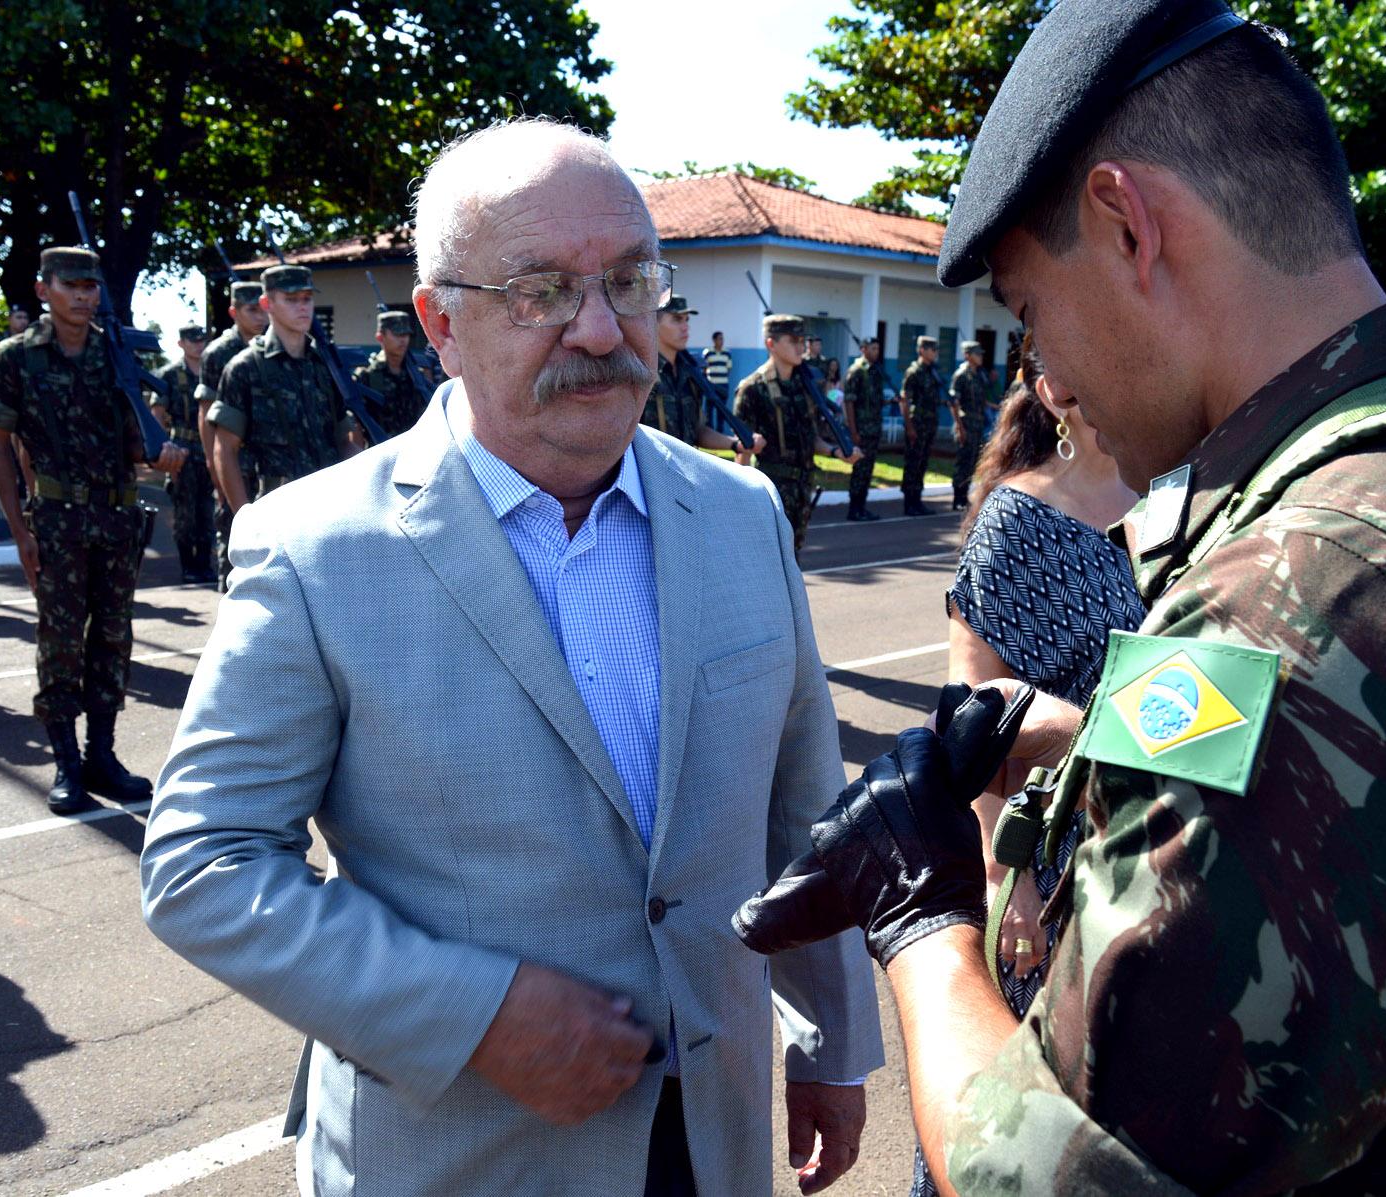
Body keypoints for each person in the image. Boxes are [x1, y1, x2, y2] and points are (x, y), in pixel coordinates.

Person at [733, 1, 1386, 1192]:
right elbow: (1361, 743)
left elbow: (1045, 1176)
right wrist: (1084, 733)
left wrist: (918, 910)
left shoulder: (1306, 584)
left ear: (1129, 227)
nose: (1042, 377)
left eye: (1031, 313)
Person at [143, 119, 883, 1197]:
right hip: (460, 1154)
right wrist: (472, 1013)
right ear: (441, 324)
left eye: (630, 282)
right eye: (539, 290)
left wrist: (831, 1041)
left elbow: (802, 810)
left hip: (707, 1138)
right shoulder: (313, 547)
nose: (599, 329)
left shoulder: (739, 514)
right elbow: (204, 866)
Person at [898, 339, 1142, 1197]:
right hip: (1051, 851)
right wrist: (1012, 879)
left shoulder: (1183, 497)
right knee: (1020, 1118)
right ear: (1054, 391)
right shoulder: (1018, 522)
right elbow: (975, 731)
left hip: (1155, 837)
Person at [0, 247, 185, 816]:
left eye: (91, 285)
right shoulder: (15, 358)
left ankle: (102, 754)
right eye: (71, 285)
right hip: (56, 521)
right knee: (60, 643)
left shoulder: (114, 355)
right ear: (44, 290)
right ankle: (66, 762)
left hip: (116, 519)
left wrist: (159, 453)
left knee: (113, 640)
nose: (84, 295)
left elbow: (137, 444)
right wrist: (19, 528)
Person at [206, 265, 356, 512]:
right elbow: (225, 450)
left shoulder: (324, 365)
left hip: (330, 505)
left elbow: (344, 437)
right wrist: (244, 518)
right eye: (291, 299)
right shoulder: (245, 368)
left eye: (307, 299)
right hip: (274, 510)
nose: (302, 307)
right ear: (267, 304)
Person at [734, 315, 862, 554]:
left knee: (793, 561)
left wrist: (836, 452)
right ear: (771, 344)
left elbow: (810, 437)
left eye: (802, 340)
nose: (800, 347)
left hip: (802, 490)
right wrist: (741, 501)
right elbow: (743, 452)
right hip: (770, 492)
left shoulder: (805, 386)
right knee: (765, 561)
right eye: (793, 340)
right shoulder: (753, 389)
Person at [196, 278, 266, 590]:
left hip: (268, 464)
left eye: (260, 309)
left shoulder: (272, 348)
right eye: (251, 310)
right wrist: (215, 468)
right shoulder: (218, 353)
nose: (259, 317)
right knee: (235, 546)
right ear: (233, 311)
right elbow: (207, 413)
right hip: (235, 464)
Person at [640, 293, 761, 460]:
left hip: (685, 472)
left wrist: (734, 444)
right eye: (677, 319)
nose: (685, 327)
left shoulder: (690, 372)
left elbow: (698, 429)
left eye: (686, 320)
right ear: (654, 323)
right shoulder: (640, 372)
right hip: (649, 475)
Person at [151, 324, 216, 585]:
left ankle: (204, 563)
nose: (198, 345)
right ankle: (188, 565)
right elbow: (156, 415)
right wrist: (164, 452)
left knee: (206, 511)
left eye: (201, 340)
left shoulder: (211, 372)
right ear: (181, 344)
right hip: (182, 451)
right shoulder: (169, 375)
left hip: (208, 449)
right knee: (185, 513)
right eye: (192, 341)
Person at [351, 309, 430, 436]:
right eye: (397, 334)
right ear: (380, 337)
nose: (403, 340)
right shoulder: (367, 376)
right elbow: (356, 425)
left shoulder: (417, 377)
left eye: (406, 334)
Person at [840, 338, 889, 521]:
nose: (876, 352)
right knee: (860, 469)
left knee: (867, 470)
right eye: (873, 348)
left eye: (878, 348)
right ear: (863, 349)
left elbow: (875, 400)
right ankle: (854, 508)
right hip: (861, 429)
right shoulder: (856, 372)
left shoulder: (875, 371)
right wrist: (853, 431)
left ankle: (862, 506)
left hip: (873, 428)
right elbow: (849, 402)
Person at [948, 341, 995, 510]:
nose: (981, 357)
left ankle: (964, 496)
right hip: (965, 424)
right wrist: (959, 427)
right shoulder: (961, 375)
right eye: (977, 354)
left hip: (977, 425)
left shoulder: (979, 375)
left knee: (972, 462)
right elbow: (953, 403)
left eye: (981, 354)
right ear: (967, 355)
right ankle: (957, 498)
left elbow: (982, 400)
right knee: (962, 462)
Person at [900, 336, 942, 516]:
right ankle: (909, 502)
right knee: (912, 463)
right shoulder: (914, 372)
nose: (935, 353)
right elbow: (905, 401)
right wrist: (909, 427)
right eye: (932, 349)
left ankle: (917, 501)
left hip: (929, 425)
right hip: (917, 425)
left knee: (922, 463)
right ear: (922, 350)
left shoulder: (932, 371)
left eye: (936, 349)